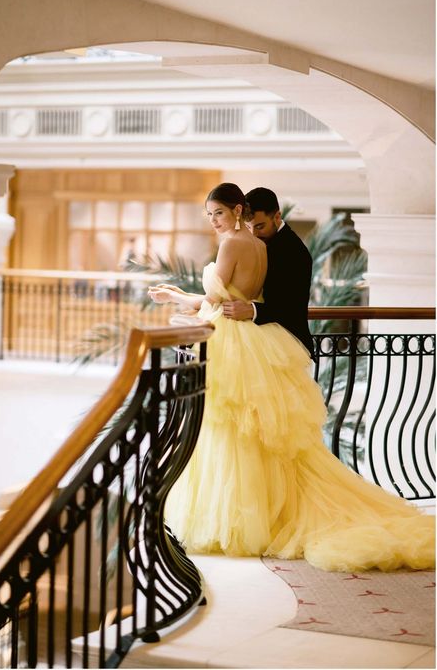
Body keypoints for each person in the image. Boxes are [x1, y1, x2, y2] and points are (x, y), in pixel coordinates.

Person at [148, 183, 434, 572]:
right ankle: (262, 513)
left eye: (218, 213)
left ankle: (248, 518)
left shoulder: (249, 246)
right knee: (253, 434)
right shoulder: (260, 245)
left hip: (239, 337)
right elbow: (237, 296)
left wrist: (184, 299)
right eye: (210, 215)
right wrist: (189, 295)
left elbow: (227, 301)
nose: (215, 221)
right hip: (255, 338)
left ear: (239, 211)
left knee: (237, 432)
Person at [222, 187, 314, 359]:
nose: (254, 234)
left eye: (260, 226)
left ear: (277, 216)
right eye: (248, 227)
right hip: (258, 342)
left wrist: (252, 310)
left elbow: (292, 307)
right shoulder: (253, 245)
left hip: (288, 347)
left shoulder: (295, 253)